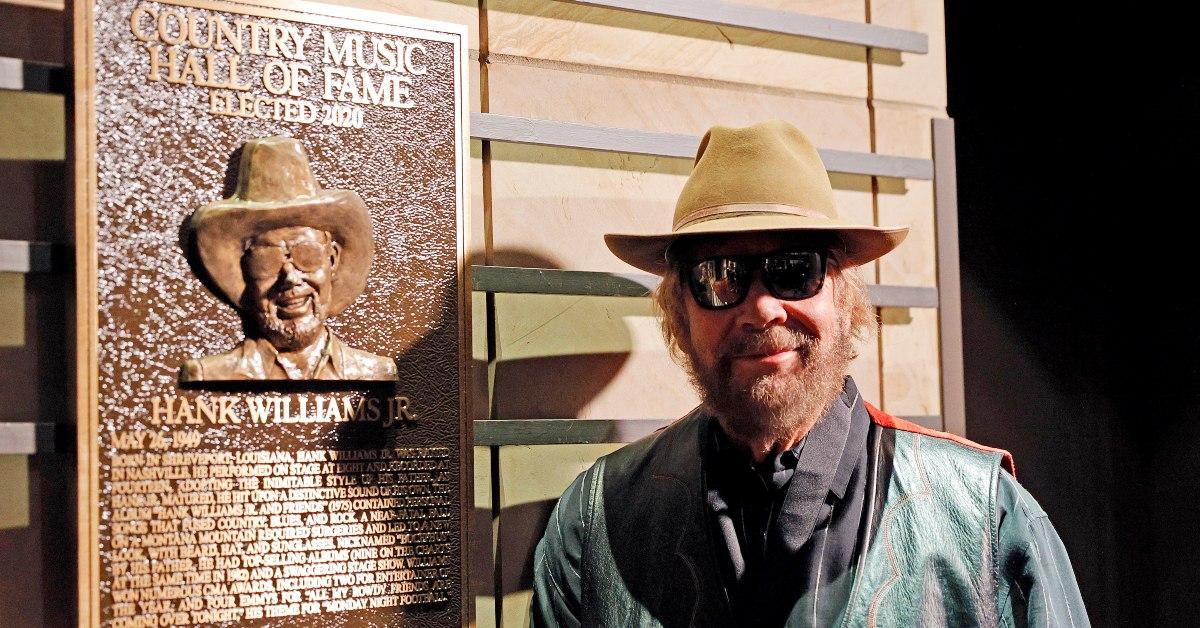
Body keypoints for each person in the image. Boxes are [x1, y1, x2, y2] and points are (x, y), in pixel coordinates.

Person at [531, 121, 1088, 626]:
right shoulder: (594, 524)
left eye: (795, 272)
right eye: (720, 277)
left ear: (844, 299)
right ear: (679, 313)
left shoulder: (984, 516)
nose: (762, 309)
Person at [180, 136, 397, 382]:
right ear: (243, 269)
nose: (291, 278)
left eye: (307, 255)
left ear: (333, 260)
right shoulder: (208, 374)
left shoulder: (375, 372)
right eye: (267, 260)